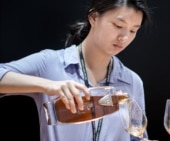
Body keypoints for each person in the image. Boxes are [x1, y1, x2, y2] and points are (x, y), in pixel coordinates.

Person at [0, 0, 152, 141]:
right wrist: (48, 85)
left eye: (133, 31)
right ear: (93, 18)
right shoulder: (51, 63)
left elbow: (137, 136)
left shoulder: (132, 81)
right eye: (118, 26)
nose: (124, 37)